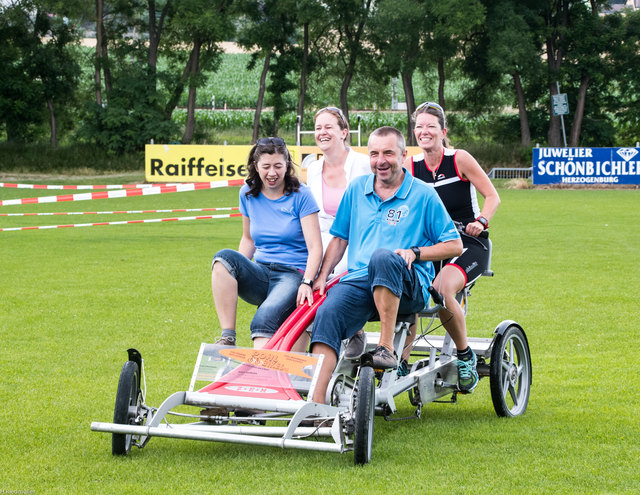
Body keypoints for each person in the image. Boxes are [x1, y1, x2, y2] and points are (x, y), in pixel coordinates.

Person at [309, 126, 463, 404]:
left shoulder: (423, 194)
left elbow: (454, 245)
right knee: (328, 313)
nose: (381, 160)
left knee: (382, 257)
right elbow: (340, 238)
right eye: (374, 153)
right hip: (361, 281)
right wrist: (321, 276)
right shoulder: (357, 188)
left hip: (408, 287)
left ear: (404, 155)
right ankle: (317, 404)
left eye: (389, 153)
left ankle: (386, 348)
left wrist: (416, 252)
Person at [407, 101, 501, 392]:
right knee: (406, 288)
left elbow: (492, 197)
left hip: (468, 243)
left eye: (430, 126)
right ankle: (401, 359)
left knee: (442, 289)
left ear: (442, 131)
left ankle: (464, 355)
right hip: (433, 247)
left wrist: (481, 221)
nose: (424, 132)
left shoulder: (459, 159)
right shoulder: (410, 166)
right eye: (419, 127)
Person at [211, 137, 322, 349]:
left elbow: (315, 247)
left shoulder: (302, 195)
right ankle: (227, 337)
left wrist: (307, 282)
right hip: (261, 272)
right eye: (266, 167)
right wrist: (239, 272)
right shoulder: (247, 193)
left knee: (263, 320)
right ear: (256, 166)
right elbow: (248, 239)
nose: (272, 173)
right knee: (223, 259)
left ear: (287, 165)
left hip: (291, 274)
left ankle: (261, 374)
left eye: (278, 166)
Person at [306, 106, 371, 276]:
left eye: (328, 127)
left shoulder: (365, 164)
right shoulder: (313, 169)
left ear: (343, 132)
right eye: (318, 128)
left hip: (358, 245)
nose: (322, 132)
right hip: (321, 245)